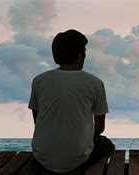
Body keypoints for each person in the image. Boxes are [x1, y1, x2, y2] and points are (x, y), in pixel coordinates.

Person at [28, 29, 115, 173]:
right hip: (78, 158)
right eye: (84, 51)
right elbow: (99, 128)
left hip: (42, 155)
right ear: (80, 55)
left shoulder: (39, 81)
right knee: (106, 144)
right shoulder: (95, 83)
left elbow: (38, 121)